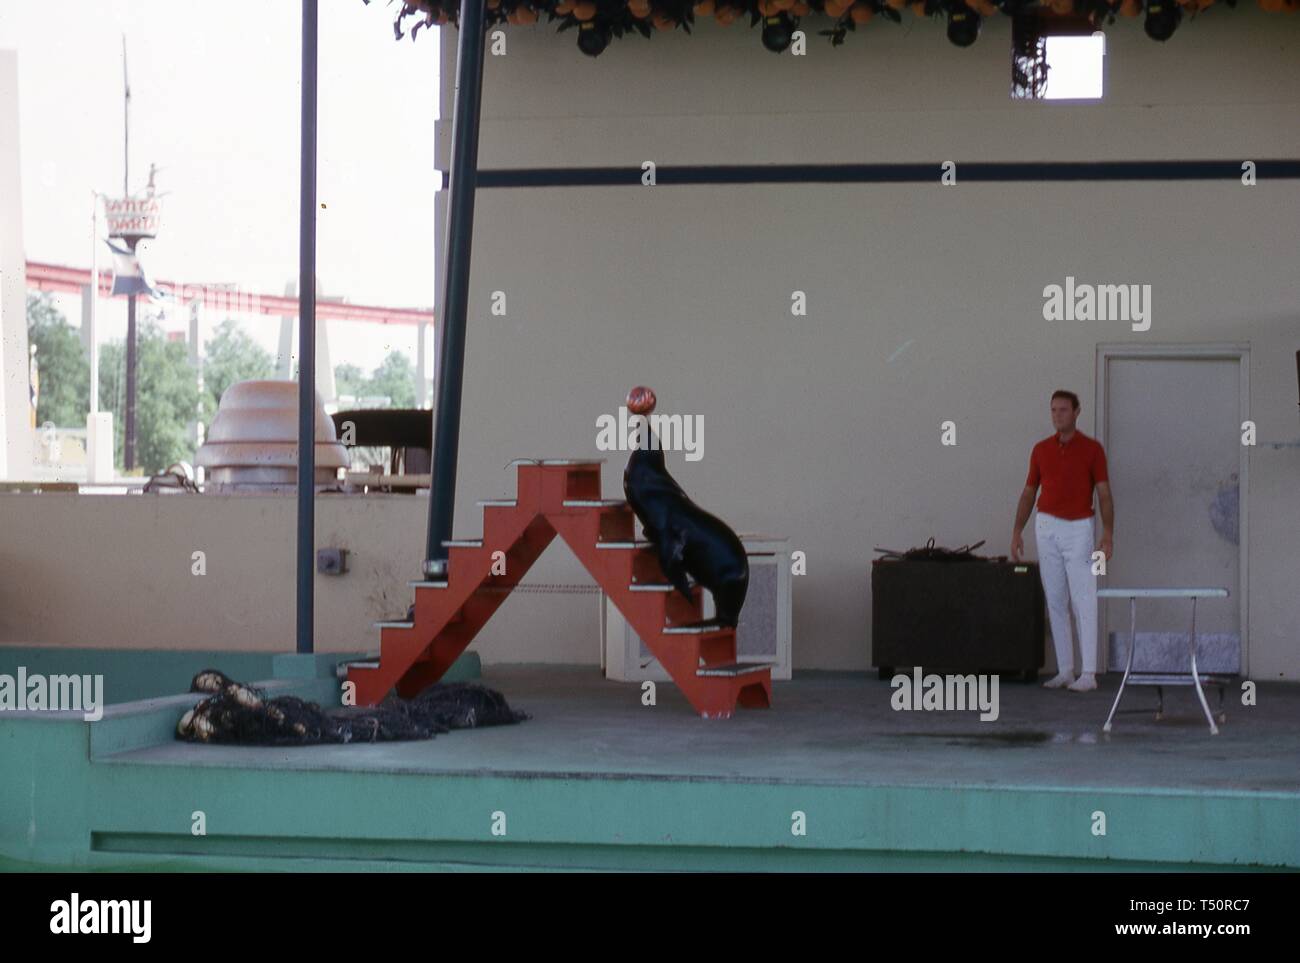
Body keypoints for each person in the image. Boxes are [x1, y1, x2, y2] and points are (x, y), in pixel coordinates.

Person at [1010, 390, 1114, 691]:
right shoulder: (1041, 449)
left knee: (1084, 596)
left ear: (1077, 412)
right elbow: (1029, 492)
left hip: (1080, 526)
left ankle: (1089, 673)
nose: (1058, 415)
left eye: (1064, 410)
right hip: (1046, 526)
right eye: (1054, 410)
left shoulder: (1092, 449)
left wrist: (1107, 534)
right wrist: (1017, 530)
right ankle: (1066, 669)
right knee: (1055, 598)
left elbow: (1104, 493)